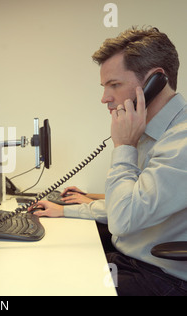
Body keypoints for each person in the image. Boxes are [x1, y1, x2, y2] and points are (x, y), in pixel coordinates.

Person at [31, 27, 187, 296]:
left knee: (50, 287)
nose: (105, 98)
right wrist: (64, 210)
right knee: (45, 264)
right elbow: (129, 203)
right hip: (132, 259)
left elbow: (123, 219)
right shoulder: (151, 132)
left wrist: (124, 146)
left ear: (155, 82)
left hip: (162, 278)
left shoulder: (180, 142)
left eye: (114, 85)